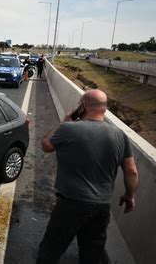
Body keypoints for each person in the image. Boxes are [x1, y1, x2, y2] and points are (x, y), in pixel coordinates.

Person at [37, 89, 138, 264]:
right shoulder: (120, 135)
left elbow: (46, 146)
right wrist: (129, 196)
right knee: (91, 255)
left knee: (51, 249)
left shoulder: (68, 129)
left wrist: (64, 122)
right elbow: (132, 171)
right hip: (101, 208)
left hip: (70, 204)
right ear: (104, 109)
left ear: (83, 106)